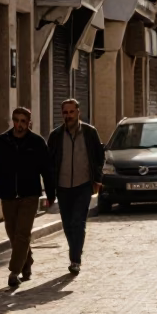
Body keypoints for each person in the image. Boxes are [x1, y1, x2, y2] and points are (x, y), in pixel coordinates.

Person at [0, 107, 55, 289]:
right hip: (8, 194)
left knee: (22, 233)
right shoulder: (2, 141)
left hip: (30, 194)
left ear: (29, 123)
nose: (19, 125)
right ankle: (26, 262)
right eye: (16, 120)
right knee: (13, 234)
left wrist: (51, 193)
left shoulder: (37, 143)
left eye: (23, 121)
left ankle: (14, 272)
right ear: (12, 121)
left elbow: (47, 170)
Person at [47, 99, 105, 276]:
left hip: (83, 185)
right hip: (63, 187)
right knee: (67, 224)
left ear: (78, 112)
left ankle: (75, 260)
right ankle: (76, 251)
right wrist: (50, 190)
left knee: (78, 222)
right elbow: (49, 163)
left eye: (72, 112)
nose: (68, 116)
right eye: (65, 112)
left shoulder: (89, 132)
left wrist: (97, 179)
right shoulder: (55, 136)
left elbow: (99, 156)